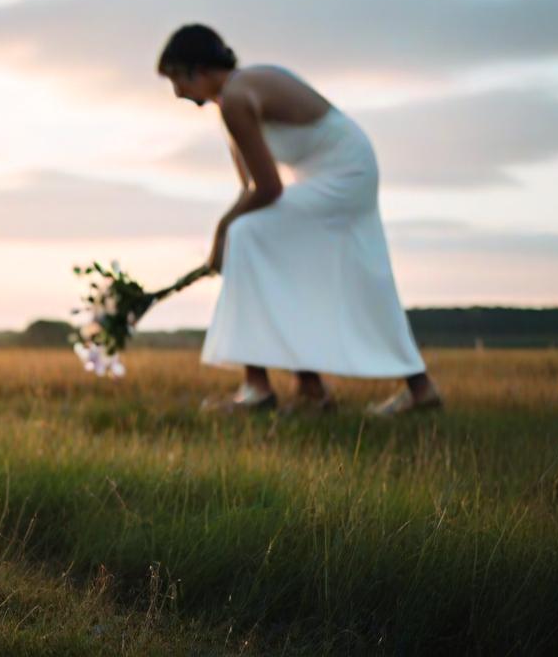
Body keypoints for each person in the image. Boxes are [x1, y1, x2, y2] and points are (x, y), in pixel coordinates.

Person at [157, 24, 441, 415]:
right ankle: (332, 389)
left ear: (195, 70)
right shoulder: (231, 102)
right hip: (333, 171)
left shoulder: (239, 96)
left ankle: (262, 389)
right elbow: (250, 189)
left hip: (345, 172)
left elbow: (269, 189)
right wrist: (225, 238)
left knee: (246, 236)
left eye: (175, 79)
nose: (176, 93)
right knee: (296, 257)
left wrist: (223, 232)